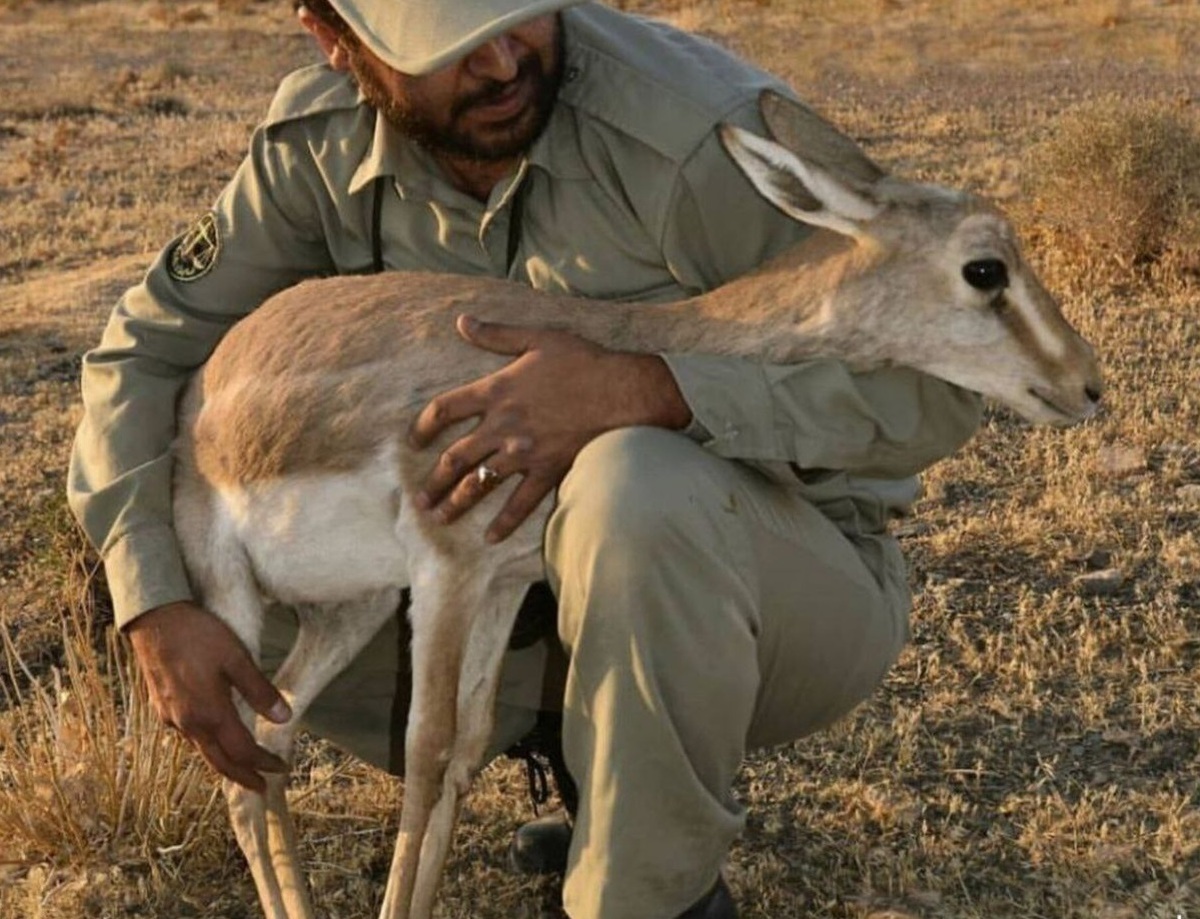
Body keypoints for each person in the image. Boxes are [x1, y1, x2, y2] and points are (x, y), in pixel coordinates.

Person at [67, 2, 983, 917]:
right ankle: (590, 759)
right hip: (501, 575)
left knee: (633, 484)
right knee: (189, 526)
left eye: (520, 14)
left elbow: (935, 392)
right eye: (450, 47)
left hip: (779, 579)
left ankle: (652, 886)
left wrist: (657, 389)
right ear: (336, 42)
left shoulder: (694, 138)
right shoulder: (319, 145)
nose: (505, 61)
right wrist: (151, 600)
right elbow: (142, 357)